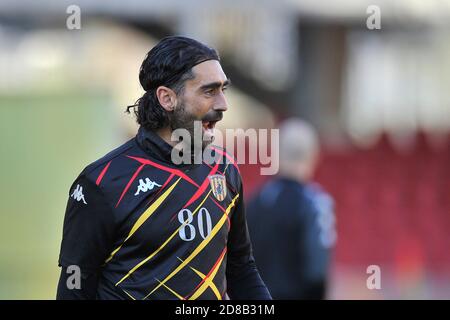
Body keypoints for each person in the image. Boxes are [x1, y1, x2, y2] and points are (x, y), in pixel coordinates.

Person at [56, 36, 271, 300]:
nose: (223, 104)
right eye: (209, 91)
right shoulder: (101, 182)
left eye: (223, 90)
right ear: (167, 98)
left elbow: (241, 269)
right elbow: (75, 286)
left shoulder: (224, 171)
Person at [247, 118, 337, 299]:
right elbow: (317, 271)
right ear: (313, 155)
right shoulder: (316, 203)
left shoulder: (255, 202)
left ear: (275, 154)